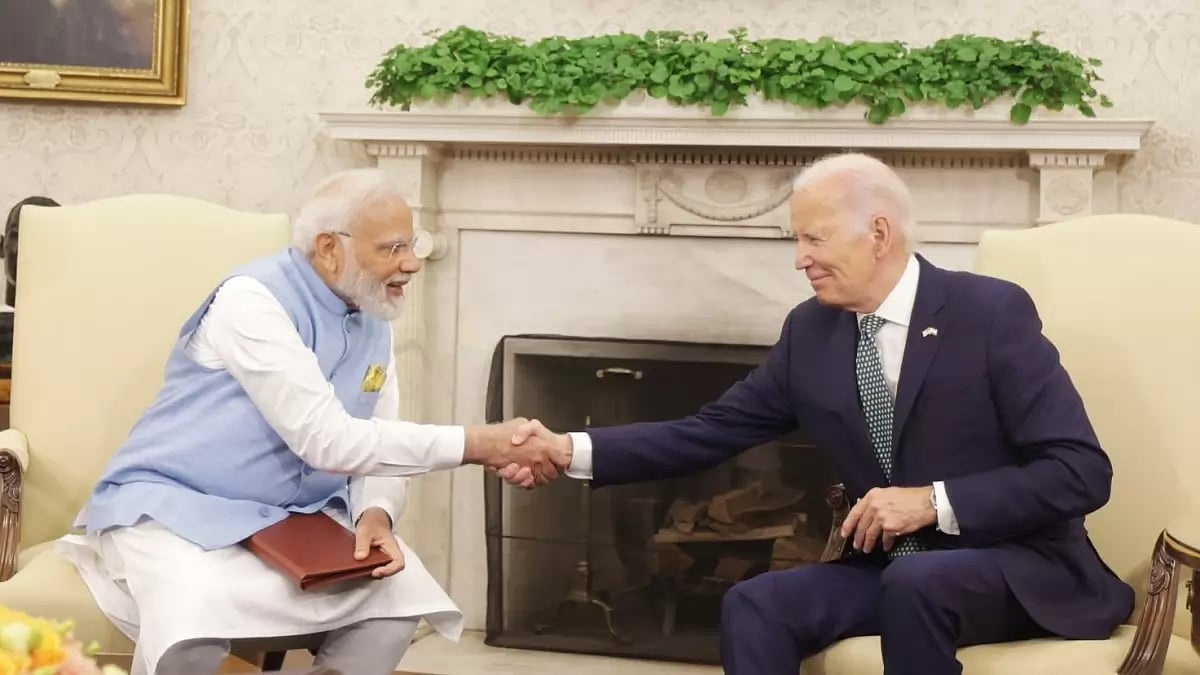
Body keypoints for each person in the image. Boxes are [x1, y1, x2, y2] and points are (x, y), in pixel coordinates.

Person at [505, 153, 1134, 675]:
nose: (799, 258)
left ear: (878, 234)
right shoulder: (813, 331)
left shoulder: (989, 313)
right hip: (896, 572)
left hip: (1021, 570)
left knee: (920, 585)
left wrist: (932, 500)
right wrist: (570, 450)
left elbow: (1080, 472)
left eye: (814, 237)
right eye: (796, 239)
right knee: (757, 602)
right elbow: (711, 431)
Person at [57, 168, 554, 675]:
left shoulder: (374, 312)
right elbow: (327, 441)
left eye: (413, 244)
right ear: (328, 247)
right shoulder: (251, 301)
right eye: (391, 248)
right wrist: (478, 443)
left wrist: (375, 514)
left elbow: (379, 438)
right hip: (177, 509)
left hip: (294, 523)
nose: (411, 263)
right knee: (193, 617)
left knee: (397, 596)